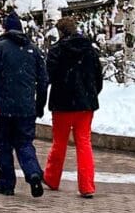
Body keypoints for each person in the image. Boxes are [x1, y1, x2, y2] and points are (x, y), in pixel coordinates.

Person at [0, 11, 48, 198]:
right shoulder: (34, 50)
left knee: (3, 145)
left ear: (5, 28)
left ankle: (6, 184)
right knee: (24, 143)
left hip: (3, 107)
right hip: (26, 107)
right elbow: (43, 80)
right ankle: (33, 172)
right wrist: (39, 105)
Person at [43, 16, 103, 199]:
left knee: (59, 142)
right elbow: (98, 78)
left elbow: (49, 77)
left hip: (62, 104)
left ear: (61, 32)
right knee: (84, 143)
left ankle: (52, 178)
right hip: (85, 104)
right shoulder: (89, 51)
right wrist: (90, 94)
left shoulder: (56, 51)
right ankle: (86, 186)